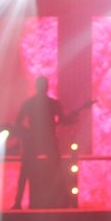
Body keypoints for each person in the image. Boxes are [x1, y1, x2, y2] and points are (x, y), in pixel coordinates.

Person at [11, 76, 76, 209]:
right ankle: (65, 200)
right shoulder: (53, 103)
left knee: (25, 170)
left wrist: (28, 132)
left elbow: (18, 122)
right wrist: (73, 119)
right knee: (58, 169)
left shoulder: (30, 103)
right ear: (46, 87)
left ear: (37, 87)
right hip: (48, 140)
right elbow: (64, 121)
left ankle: (18, 201)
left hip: (35, 140)